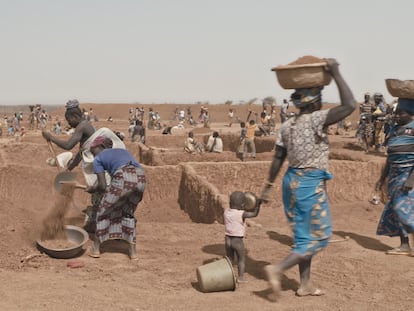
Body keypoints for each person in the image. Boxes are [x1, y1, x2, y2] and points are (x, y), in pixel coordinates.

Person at [260, 58, 356, 299]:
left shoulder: (287, 125)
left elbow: (277, 159)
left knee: (303, 236)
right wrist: (335, 73)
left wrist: (267, 187)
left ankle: (305, 284)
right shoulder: (316, 119)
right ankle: (278, 269)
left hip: (290, 183)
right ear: (316, 101)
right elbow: (350, 105)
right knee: (320, 236)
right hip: (309, 183)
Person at [42, 99, 125, 232]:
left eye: (69, 120)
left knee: (101, 194)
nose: (68, 123)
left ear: (74, 117)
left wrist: (50, 137)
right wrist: (69, 169)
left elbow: (68, 145)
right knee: (98, 196)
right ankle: (98, 223)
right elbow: (81, 153)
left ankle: (108, 224)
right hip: (99, 167)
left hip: (101, 167)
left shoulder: (82, 126)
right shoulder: (85, 127)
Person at [86, 135, 146, 259]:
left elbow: (102, 186)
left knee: (103, 211)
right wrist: (95, 186)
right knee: (127, 212)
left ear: (101, 146)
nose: (93, 156)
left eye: (93, 152)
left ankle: (96, 248)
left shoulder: (98, 159)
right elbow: (103, 182)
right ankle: (133, 253)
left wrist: (93, 189)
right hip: (140, 177)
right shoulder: (122, 151)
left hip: (122, 176)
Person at [375, 97, 414, 256]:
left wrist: (411, 180)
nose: (397, 116)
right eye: (396, 113)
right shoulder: (393, 131)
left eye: (401, 113)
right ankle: (404, 245)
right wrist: (382, 178)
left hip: (408, 175)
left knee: (402, 208)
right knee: (397, 211)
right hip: (394, 176)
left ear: (411, 113)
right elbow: (389, 158)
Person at [224, 191, 262, 283]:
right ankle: (240, 278)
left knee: (229, 259)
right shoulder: (241, 214)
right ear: (242, 205)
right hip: (237, 240)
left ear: (230, 203)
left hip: (227, 239)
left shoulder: (226, 211)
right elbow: (254, 214)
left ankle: (228, 276)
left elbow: (238, 210)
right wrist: (257, 204)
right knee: (241, 259)